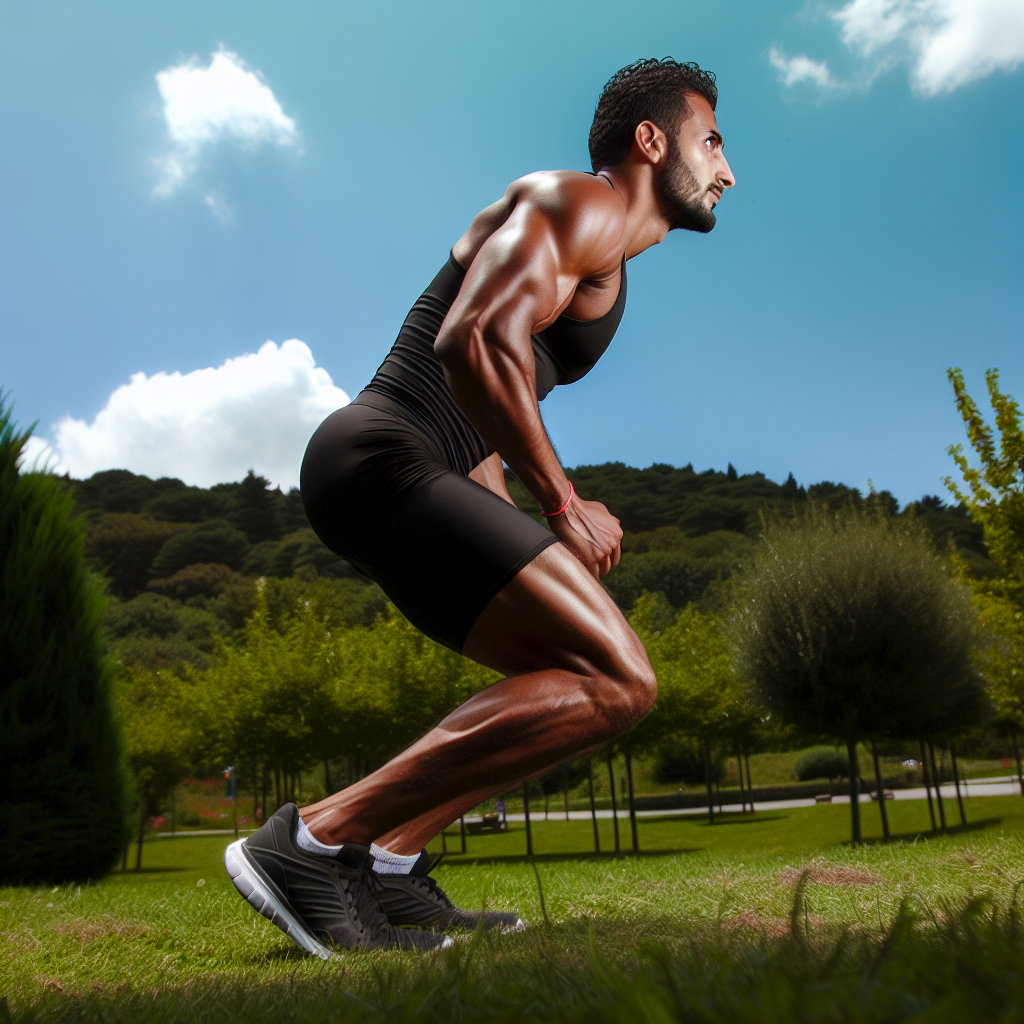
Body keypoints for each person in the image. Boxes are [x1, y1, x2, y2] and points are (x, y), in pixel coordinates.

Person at [224, 57, 735, 957]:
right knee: (623, 678)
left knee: (568, 687)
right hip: (380, 455)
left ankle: (387, 863)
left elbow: (490, 412)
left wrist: (505, 527)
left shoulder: (606, 250)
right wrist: (562, 501)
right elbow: (475, 337)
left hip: (414, 473)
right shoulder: (581, 204)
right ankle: (307, 843)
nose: (727, 171)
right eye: (713, 141)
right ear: (651, 142)